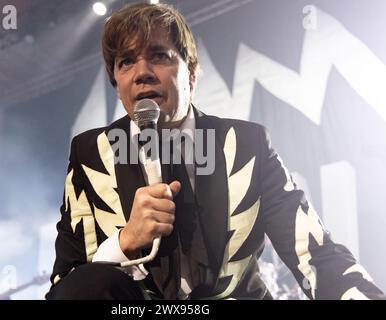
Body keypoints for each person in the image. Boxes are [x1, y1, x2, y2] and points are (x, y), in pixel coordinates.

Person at [46, 3, 385, 300]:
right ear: (117, 85)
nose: (142, 73)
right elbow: (68, 284)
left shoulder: (247, 144)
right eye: (126, 62)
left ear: (191, 75)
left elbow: (315, 253)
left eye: (159, 56)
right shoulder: (90, 153)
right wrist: (125, 242)